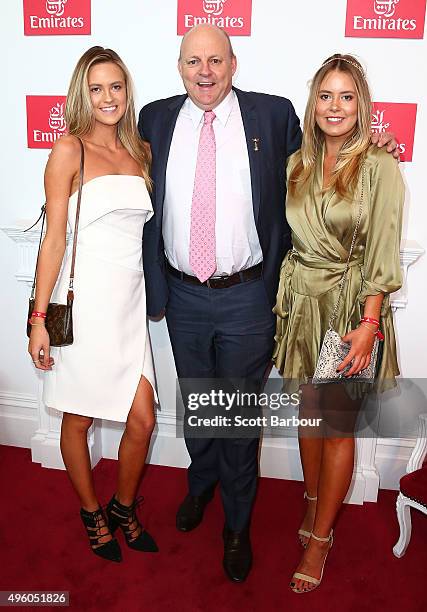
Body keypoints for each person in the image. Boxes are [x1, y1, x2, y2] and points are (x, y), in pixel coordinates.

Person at [139, 25, 398, 582]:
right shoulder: (154, 120)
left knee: (239, 420)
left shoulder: (272, 115)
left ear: (234, 62)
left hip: (249, 298)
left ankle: (236, 524)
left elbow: (336, 159)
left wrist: (377, 149)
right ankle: (200, 483)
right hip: (183, 294)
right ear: (179, 67)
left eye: (215, 60)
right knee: (200, 405)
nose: (204, 72)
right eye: (193, 62)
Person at [273, 54, 404, 593]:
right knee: (309, 416)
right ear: (313, 103)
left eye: (346, 96)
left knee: (337, 426)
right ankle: (311, 502)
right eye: (325, 95)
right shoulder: (297, 163)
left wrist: (369, 324)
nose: (335, 106)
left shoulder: (380, 166)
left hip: (351, 308)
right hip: (302, 301)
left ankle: (322, 539)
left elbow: (381, 249)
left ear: (362, 104)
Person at [28, 46, 158, 563]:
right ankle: (91, 513)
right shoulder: (68, 151)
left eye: (116, 86)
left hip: (128, 306)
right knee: (78, 421)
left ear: (127, 92)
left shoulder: (141, 151)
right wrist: (39, 319)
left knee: (143, 419)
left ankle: (123, 507)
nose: (108, 97)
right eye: (96, 88)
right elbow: (54, 240)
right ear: (83, 93)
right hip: (84, 308)